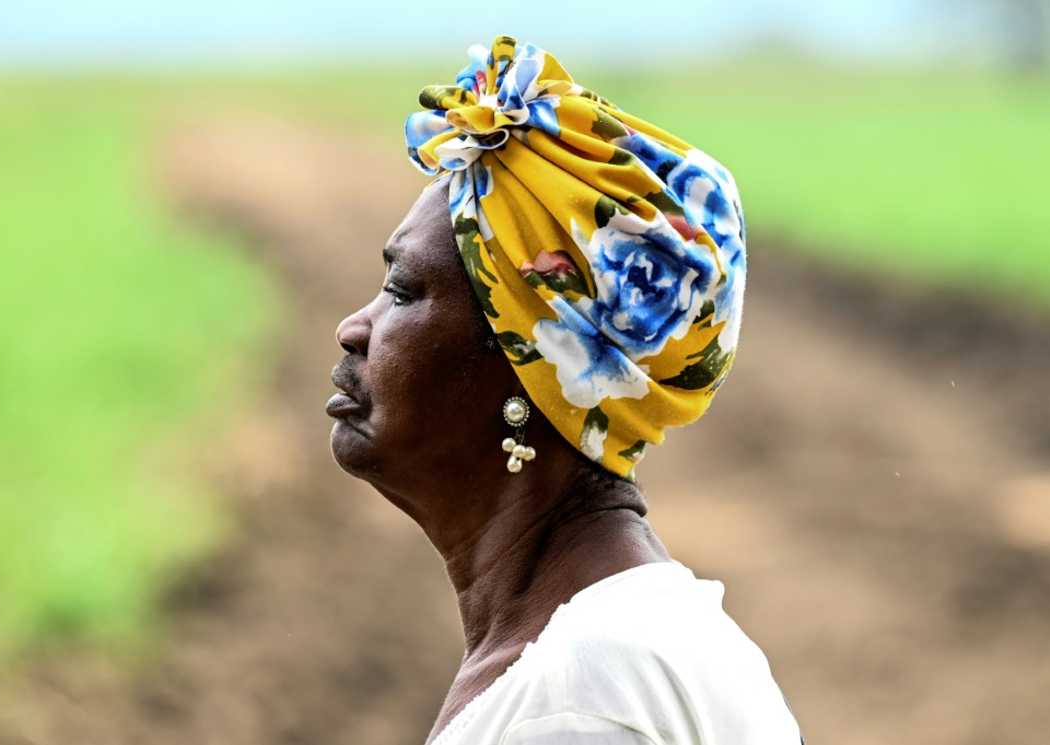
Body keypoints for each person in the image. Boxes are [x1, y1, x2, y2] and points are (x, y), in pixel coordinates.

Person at [327, 36, 803, 745]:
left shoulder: (581, 701)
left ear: (531, 367)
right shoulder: (639, 642)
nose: (352, 327)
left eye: (402, 290)